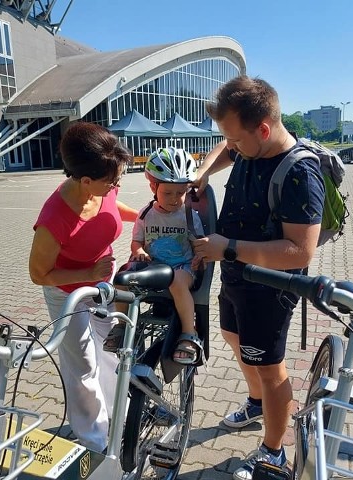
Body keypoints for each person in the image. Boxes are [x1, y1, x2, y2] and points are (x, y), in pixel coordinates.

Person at [191, 76, 325, 480]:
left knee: (270, 367)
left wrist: (227, 247)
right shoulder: (250, 146)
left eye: (234, 138)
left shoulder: (301, 172)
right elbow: (227, 147)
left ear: (263, 129)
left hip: (271, 287)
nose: (229, 146)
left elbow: (300, 251)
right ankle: (255, 403)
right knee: (235, 338)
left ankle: (274, 452)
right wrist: (202, 173)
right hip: (234, 275)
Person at [28, 122, 137, 453]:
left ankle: (119, 419)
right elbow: (38, 273)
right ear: (86, 181)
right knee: (82, 364)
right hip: (67, 293)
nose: (117, 185)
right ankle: (93, 439)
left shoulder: (102, 185)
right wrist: (88, 270)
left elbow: (112, 207)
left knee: (111, 351)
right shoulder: (54, 217)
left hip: (102, 287)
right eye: (112, 182)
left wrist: (147, 217)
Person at [107, 147, 205, 363]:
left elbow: (198, 244)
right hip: (152, 267)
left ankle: (189, 333)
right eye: (168, 193)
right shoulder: (145, 214)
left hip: (182, 267)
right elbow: (137, 241)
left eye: (181, 193)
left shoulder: (189, 216)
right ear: (153, 186)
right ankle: (122, 326)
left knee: (178, 282)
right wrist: (139, 251)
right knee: (121, 279)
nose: (175, 199)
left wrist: (200, 256)